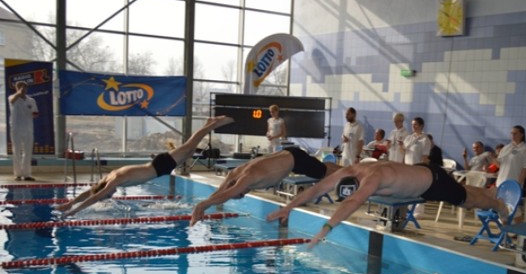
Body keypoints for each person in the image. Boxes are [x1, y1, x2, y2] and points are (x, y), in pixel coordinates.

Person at [267, 160, 508, 247]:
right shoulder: (350, 170)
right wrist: (289, 207)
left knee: (466, 202)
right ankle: (491, 191)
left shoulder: (372, 178)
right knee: (462, 191)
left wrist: (325, 230)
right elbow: (317, 188)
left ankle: (498, 205)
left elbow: (352, 202)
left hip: (433, 183)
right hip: (422, 173)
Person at [56, 115, 234, 217]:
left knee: (190, 144)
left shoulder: (114, 181)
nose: (111, 194)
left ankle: (212, 123)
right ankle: (209, 124)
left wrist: (74, 210)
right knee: (190, 148)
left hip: (160, 166)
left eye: (109, 193)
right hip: (158, 165)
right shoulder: (109, 177)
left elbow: (95, 196)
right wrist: (69, 203)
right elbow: (92, 192)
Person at [190, 147, 342, 226]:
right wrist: (204, 207)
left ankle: (353, 172)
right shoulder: (234, 174)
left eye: (241, 194)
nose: (244, 193)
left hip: (295, 160)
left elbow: (225, 195)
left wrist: (201, 205)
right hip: (289, 156)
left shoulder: (245, 178)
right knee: (322, 169)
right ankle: (347, 169)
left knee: (323, 173)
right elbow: (220, 192)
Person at [495, 126, 526, 222]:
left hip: (513, 183)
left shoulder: (524, 149)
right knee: (501, 208)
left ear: (522, 134)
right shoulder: (507, 148)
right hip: (501, 182)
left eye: (515, 133)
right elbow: (499, 165)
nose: (513, 135)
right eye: (511, 133)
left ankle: (520, 232)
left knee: (514, 209)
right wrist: (491, 159)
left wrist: (518, 184)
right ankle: (505, 231)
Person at [8, 81, 39, 181]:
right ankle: (17, 174)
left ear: (27, 89)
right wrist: (19, 93)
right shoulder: (12, 98)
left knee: (28, 151)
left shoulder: (31, 100)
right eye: (20, 88)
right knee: (16, 151)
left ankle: (26, 174)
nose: (23, 90)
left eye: (24, 88)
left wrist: (34, 114)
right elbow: (12, 101)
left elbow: (35, 113)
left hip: (28, 128)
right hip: (16, 128)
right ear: (16, 89)